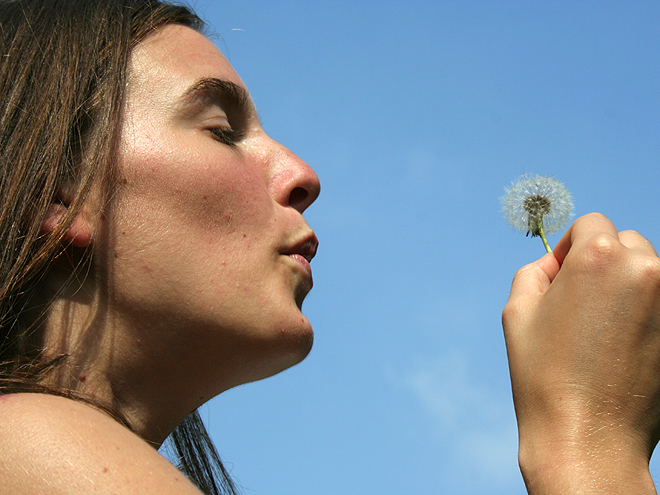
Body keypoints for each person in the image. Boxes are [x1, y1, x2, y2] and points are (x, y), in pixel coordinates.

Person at [0, 1, 658, 494]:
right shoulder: (28, 446)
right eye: (222, 130)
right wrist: (587, 445)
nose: (301, 173)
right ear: (57, 195)